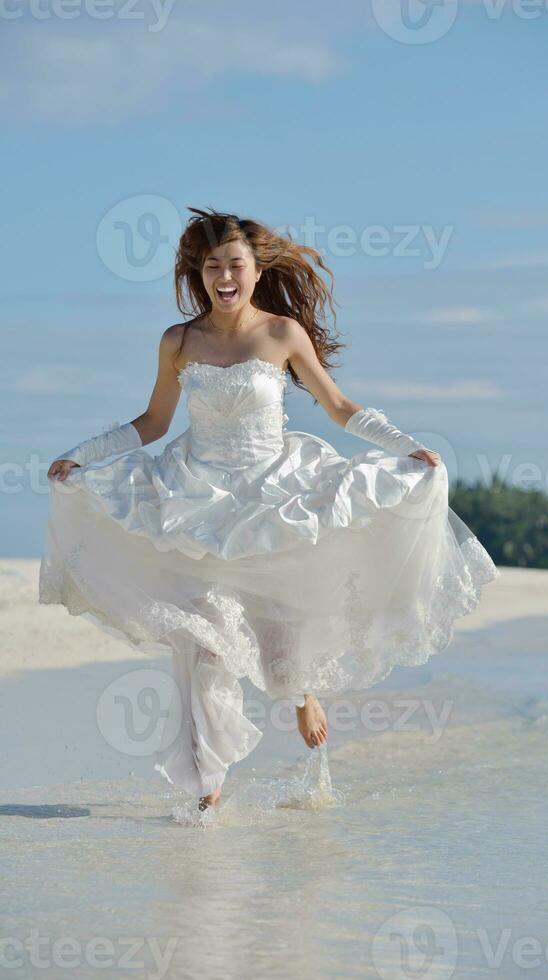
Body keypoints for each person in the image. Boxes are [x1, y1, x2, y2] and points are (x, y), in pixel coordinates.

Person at [39, 208, 499, 813]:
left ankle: (302, 690)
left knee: (279, 632)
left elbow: (336, 407)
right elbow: (153, 422)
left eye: (235, 265)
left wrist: (404, 446)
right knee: (202, 637)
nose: (223, 276)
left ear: (255, 272)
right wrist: (80, 456)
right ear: (198, 274)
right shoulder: (179, 341)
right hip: (195, 495)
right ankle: (206, 785)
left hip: (275, 488)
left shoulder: (281, 334)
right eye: (212, 267)